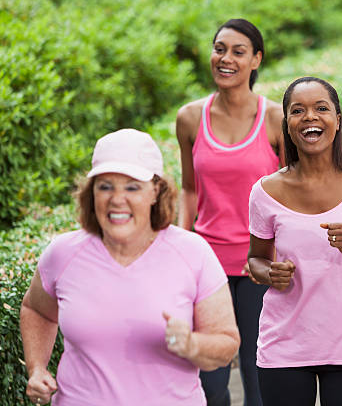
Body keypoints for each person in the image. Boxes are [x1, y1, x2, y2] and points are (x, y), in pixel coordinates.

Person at [19, 129, 240, 405]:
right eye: (105, 186)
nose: (116, 198)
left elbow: (226, 342)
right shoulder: (63, 254)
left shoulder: (192, 253)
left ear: (156, 191)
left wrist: (192, 345)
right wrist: (37, 367)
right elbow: (36, 309)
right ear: (92, 192)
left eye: (132, 187)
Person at [247, 76, 342, 406]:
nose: (310, 117)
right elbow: (256, 259)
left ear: (337, 119)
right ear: (287, 125)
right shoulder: (265, 192)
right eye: (297, 110)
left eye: (321, 108)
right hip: (284, 347)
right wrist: (269, 273)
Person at [175, 19, 284, 406]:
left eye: (239, 52)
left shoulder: (275, 119)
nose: (226, 58)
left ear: (256, 60)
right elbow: (189, 189)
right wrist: (177, 244)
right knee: (210, 384)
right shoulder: (190, 118)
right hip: (207, 263)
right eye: (219, 48)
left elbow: (292, 192)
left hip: (260, 264)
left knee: (258, 381)